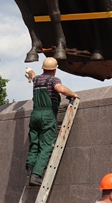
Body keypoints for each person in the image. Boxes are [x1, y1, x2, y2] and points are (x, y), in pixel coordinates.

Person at [25, 56, 78, 186]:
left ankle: (30, 170)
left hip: (35, 115)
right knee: (46, 145)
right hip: (47, 115)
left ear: (43, 68)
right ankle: (36, 175)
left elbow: (32, 75)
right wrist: (72, 94)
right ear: (55, 69)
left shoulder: (37, 79)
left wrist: (29, 70)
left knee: (35, 143)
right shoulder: (53, 80)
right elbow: (60, 89)